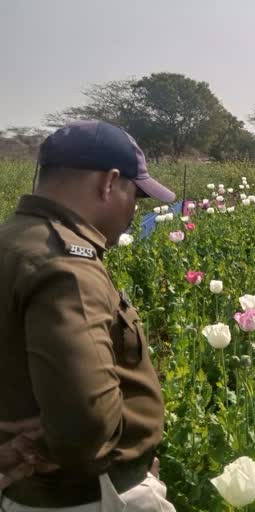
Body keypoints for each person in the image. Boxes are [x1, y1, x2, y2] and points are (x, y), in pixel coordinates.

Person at [0, 120, 176, 510]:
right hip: (93, 496)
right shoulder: (65, 264)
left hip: (26, 493)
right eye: (136, 195)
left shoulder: (11, 240)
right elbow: (85, 428)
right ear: (110, 183)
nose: (134, 211)